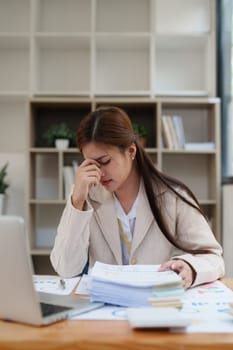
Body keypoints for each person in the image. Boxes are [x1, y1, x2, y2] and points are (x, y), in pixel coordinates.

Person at [50, 106, 225, 289]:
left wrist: (190, 267)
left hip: (157, 307)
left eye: (105, 161)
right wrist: (77, 202)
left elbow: (213, 257)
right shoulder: (86, 197)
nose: (99, 173)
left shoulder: (174, 196)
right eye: (91, 164)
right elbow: (65, 269)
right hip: (105, 308)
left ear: (131, 151)